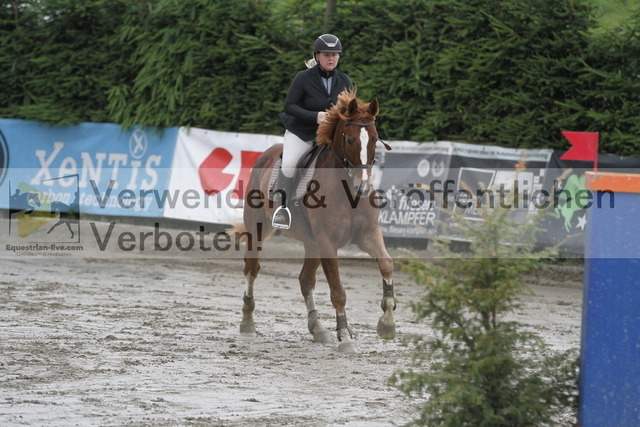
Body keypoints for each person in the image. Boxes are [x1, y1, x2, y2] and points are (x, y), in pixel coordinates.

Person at [272, 34, 354, 229]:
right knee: (290, 164)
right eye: (326, 55)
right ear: (317, 56)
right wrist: (314, 116)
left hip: (329, 136)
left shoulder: (344, 80)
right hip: (302, 132)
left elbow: (350, 111)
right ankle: (281, 208)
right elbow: (289, 106)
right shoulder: (303, 78)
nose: (331, 59)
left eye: (335, 55)